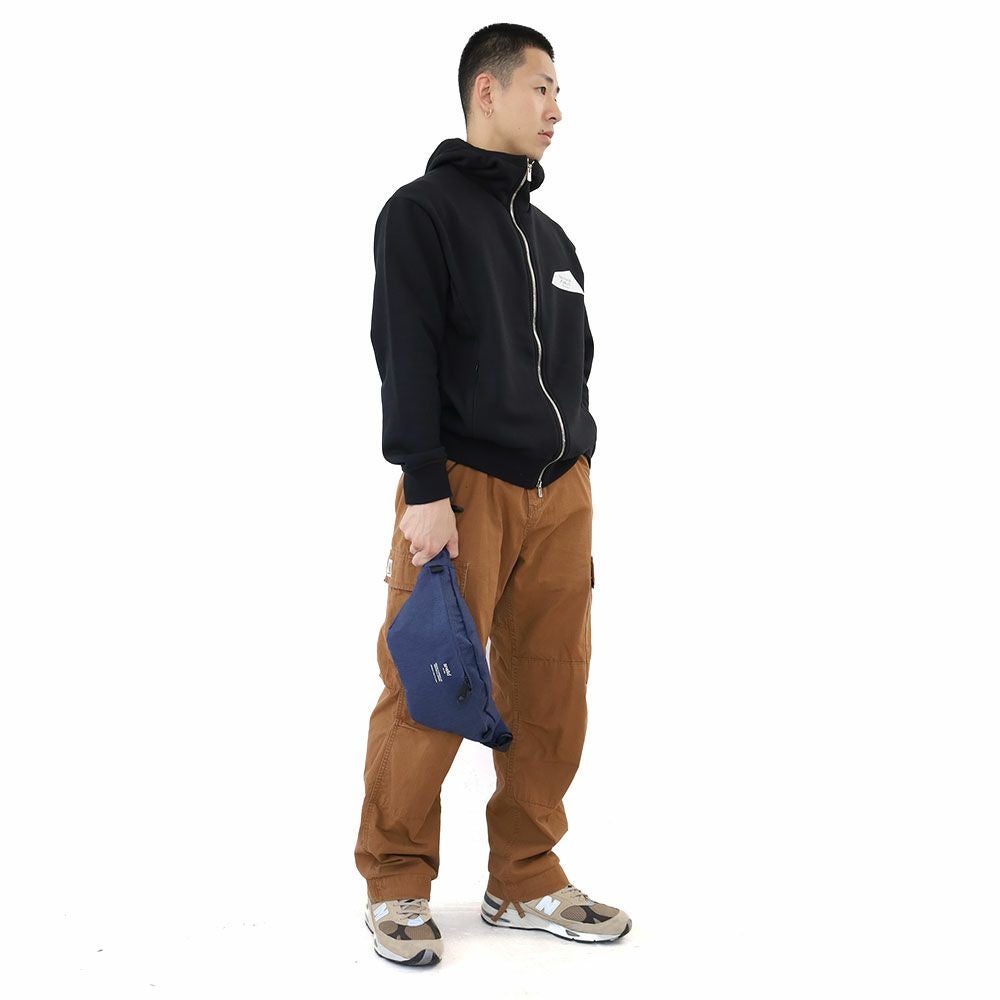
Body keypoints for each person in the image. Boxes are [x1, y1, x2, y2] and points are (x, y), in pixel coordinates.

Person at [355, 23, 631, 966]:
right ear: (488, 90)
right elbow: (406, 353)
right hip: (464, 492)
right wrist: (424, 486)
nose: (557, 109)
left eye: (558, 91)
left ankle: (525, 876)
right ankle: (395, 882)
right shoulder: (420, 213)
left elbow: (576, 365)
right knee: (430, 684)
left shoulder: (552, 238)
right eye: (541, 88)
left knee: (552, 686)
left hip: (561, 491)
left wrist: (578, 461)